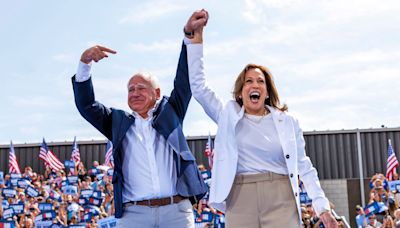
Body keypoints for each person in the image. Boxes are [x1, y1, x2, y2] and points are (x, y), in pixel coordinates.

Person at [184, 9, 338, 227]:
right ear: (240, 91)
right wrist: (195, 40)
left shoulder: (287, 122)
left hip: (281, 197)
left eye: (260, 81)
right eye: (248, 81)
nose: (254, 85)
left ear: (267, 91)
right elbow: (198, 87)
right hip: (240, 197)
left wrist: (322, 207)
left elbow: (304, 166)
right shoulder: (227, 114)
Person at [71, 17, 208, 227]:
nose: (135, 92)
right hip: (134, 214)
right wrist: (84, 63)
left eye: (141, 88)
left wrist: (189, 36)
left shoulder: (171, 113)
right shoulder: (117, 122)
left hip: (176, 212)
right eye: (130, 89)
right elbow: (86, 105)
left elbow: (184, 78)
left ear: (157, 93)